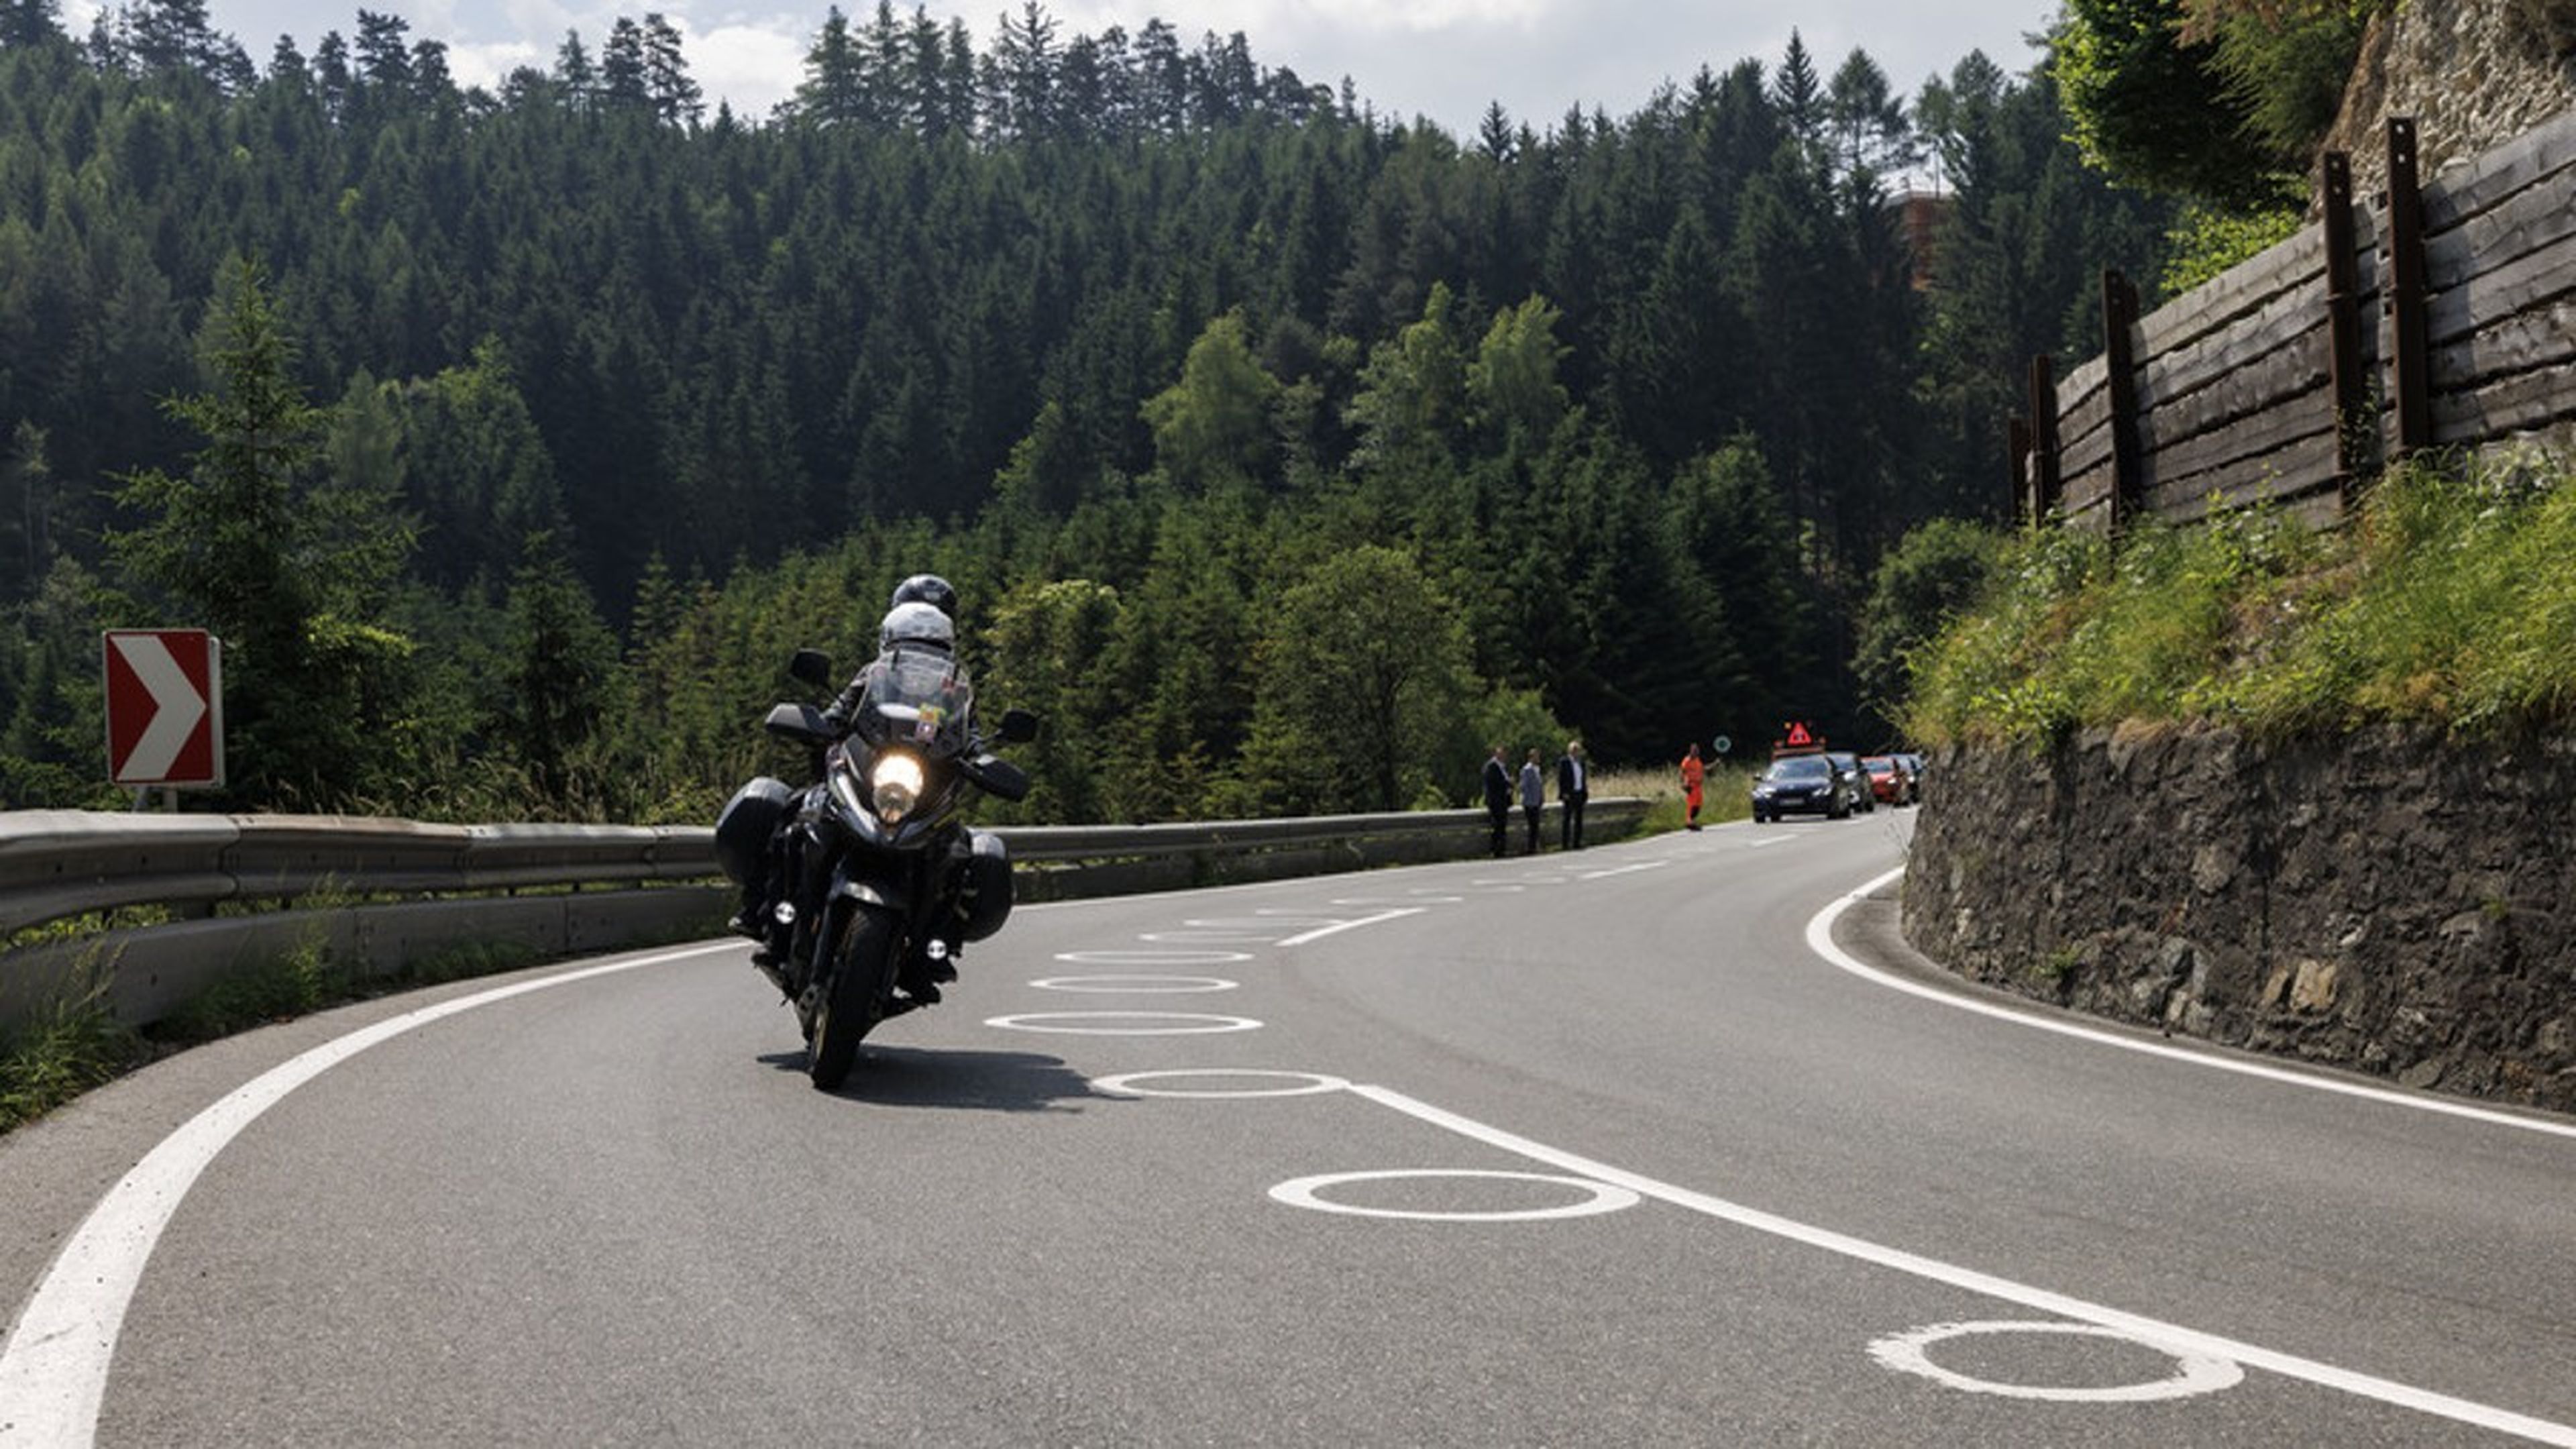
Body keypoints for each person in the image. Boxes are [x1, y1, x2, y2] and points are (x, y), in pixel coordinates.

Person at [1556, 739, 1589, 850]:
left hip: (1579, 792)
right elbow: (1561, 779)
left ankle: (1577, 842)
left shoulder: (1581, 763)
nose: (1576, 752)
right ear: (1569, 751)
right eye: (1574, 750)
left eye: (1577, 750)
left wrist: (1585, 792)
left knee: (1579, 819)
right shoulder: (1564, 762)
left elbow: (1583, 779)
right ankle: (1565, 844)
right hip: (1569, 794)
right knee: (1567, 819)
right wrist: (1563, 792)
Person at [1481, 744, 1513, 858]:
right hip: (1496, 802)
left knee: (1502, 826)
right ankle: (1496, 850)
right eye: (1501, 753)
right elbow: (1493, 784)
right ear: (1496, 754)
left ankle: (1502, 849)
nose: (1504, 755)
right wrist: (1507, 784)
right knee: (1497, 827)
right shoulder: (1491, 766)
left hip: (1503, 801)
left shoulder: (1502, 767)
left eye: (1505, 753)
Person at [1519, 747, 1546, 854]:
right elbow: (1523, 786)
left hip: (1536, 801)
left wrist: (1541, 797)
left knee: (1535, 826)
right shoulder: (1527, 769)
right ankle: (1531, 848)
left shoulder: (1537, 769)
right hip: (1530, 802)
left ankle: (1534, 846)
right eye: (1536, 756)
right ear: (1531, 758)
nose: (1538, 758)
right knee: (1532, 825)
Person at [1680, 743, 1705, 831]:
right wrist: (1683, 784)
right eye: (1694, 750)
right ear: (1691, 751)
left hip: (1699, 786)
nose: (1696, 752)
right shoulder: (1687, 760)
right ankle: (1689, 822)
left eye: (1697, 750)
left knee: (1699, 805)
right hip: (1691, 785)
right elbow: (1682, 772)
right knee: (1692, 805)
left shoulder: (1698, 760)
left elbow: (1703, 769)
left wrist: (1715, 764)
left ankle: (1692, 821)